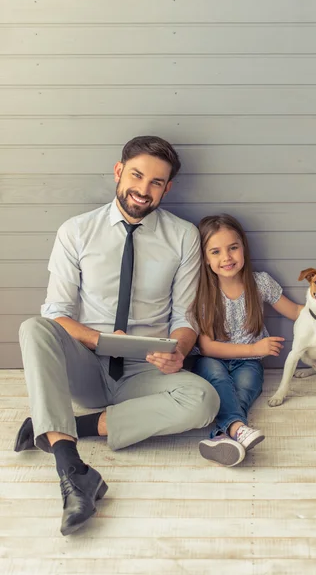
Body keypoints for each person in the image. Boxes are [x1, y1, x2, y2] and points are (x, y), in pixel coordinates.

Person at [13, 136, 220, 536]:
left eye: (156, 182)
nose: (143, 190)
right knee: (33, 327)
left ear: (167, 188)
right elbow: (56, 312)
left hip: (146, 368)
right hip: (87, 366)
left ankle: (63, 425)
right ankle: (72, 470)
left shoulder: (183, 236)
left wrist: (178, 350)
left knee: (203, 399)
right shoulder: (76, 231)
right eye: (137, 175)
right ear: (118, 171)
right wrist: (96, 339)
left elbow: (185, 317)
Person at [190, 214, 316, 467]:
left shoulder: (260, 282)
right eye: (216, 251)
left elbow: (298, 310)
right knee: (219, 382)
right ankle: (237, 431)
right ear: (206, 258)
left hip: (250, 363)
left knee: (245, 391)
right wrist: (254, 347)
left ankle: (225, 435)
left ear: (243, 247)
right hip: (212, 359)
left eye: (233, 248)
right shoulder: (201, 291)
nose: (227, 257)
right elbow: (206, 346)